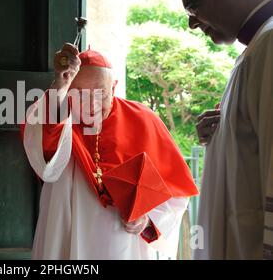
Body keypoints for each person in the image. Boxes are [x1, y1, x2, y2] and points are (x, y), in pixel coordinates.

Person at [21, 44, 198, 259]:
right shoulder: (59, 114)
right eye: (80, 95)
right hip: (65, 231)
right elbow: (46, 157)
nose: (92, 105)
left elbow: (176, 192)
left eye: (101, 94)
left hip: (123, 242)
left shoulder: (143, 119)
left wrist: (147, 220)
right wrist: (60, 84)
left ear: (113, 88)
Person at [180, 0, 273, 260]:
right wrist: (218, 139)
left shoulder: (270, 43)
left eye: (193, 7)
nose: (192, 23)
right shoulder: (257, 48)